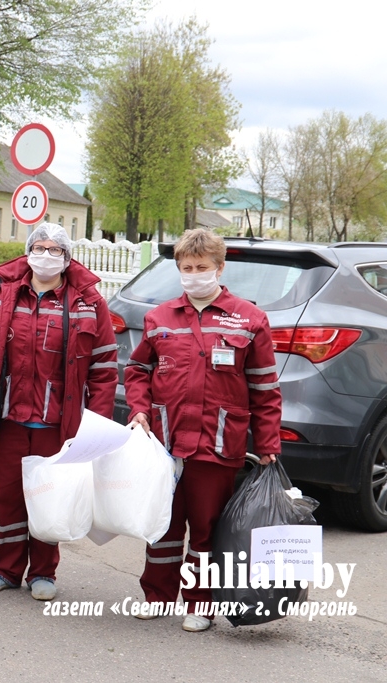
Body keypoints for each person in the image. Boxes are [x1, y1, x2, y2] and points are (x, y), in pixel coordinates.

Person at [123, 228, 281, 632]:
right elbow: (137, 371)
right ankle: (157, 597)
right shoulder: (159, 318)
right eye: (187, 268)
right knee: (163, 525)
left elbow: (264, 388)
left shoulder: (249, 319)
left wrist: (267, 443)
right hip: (164, 443)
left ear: (219, 268)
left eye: (202, 267)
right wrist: (139, 409)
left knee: (206, 530)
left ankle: (199, 603)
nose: (194, 275)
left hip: (217, 443)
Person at [0, 223, 118, 602]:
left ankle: (43, 572)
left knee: (50, 496)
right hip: (10, 415)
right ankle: (5, 568)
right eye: (39, 247)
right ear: (28, 251)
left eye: (55, 250)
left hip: (58, 421)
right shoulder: (1, 292)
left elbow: (105, 367)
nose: (46, 255)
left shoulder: (89, 302)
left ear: (67, 257)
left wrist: (96, 424)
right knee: (7, 496)